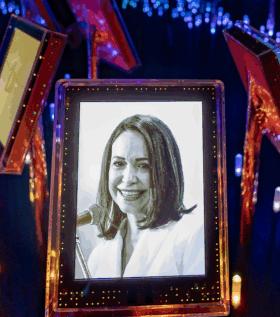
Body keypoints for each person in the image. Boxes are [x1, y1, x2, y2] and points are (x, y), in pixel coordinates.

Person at [85, 115, 204, 278]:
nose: (128, 178)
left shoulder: (193, 237)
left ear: (166, 172)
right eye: (119, 164)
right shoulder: (97, 258)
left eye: (143, 166)